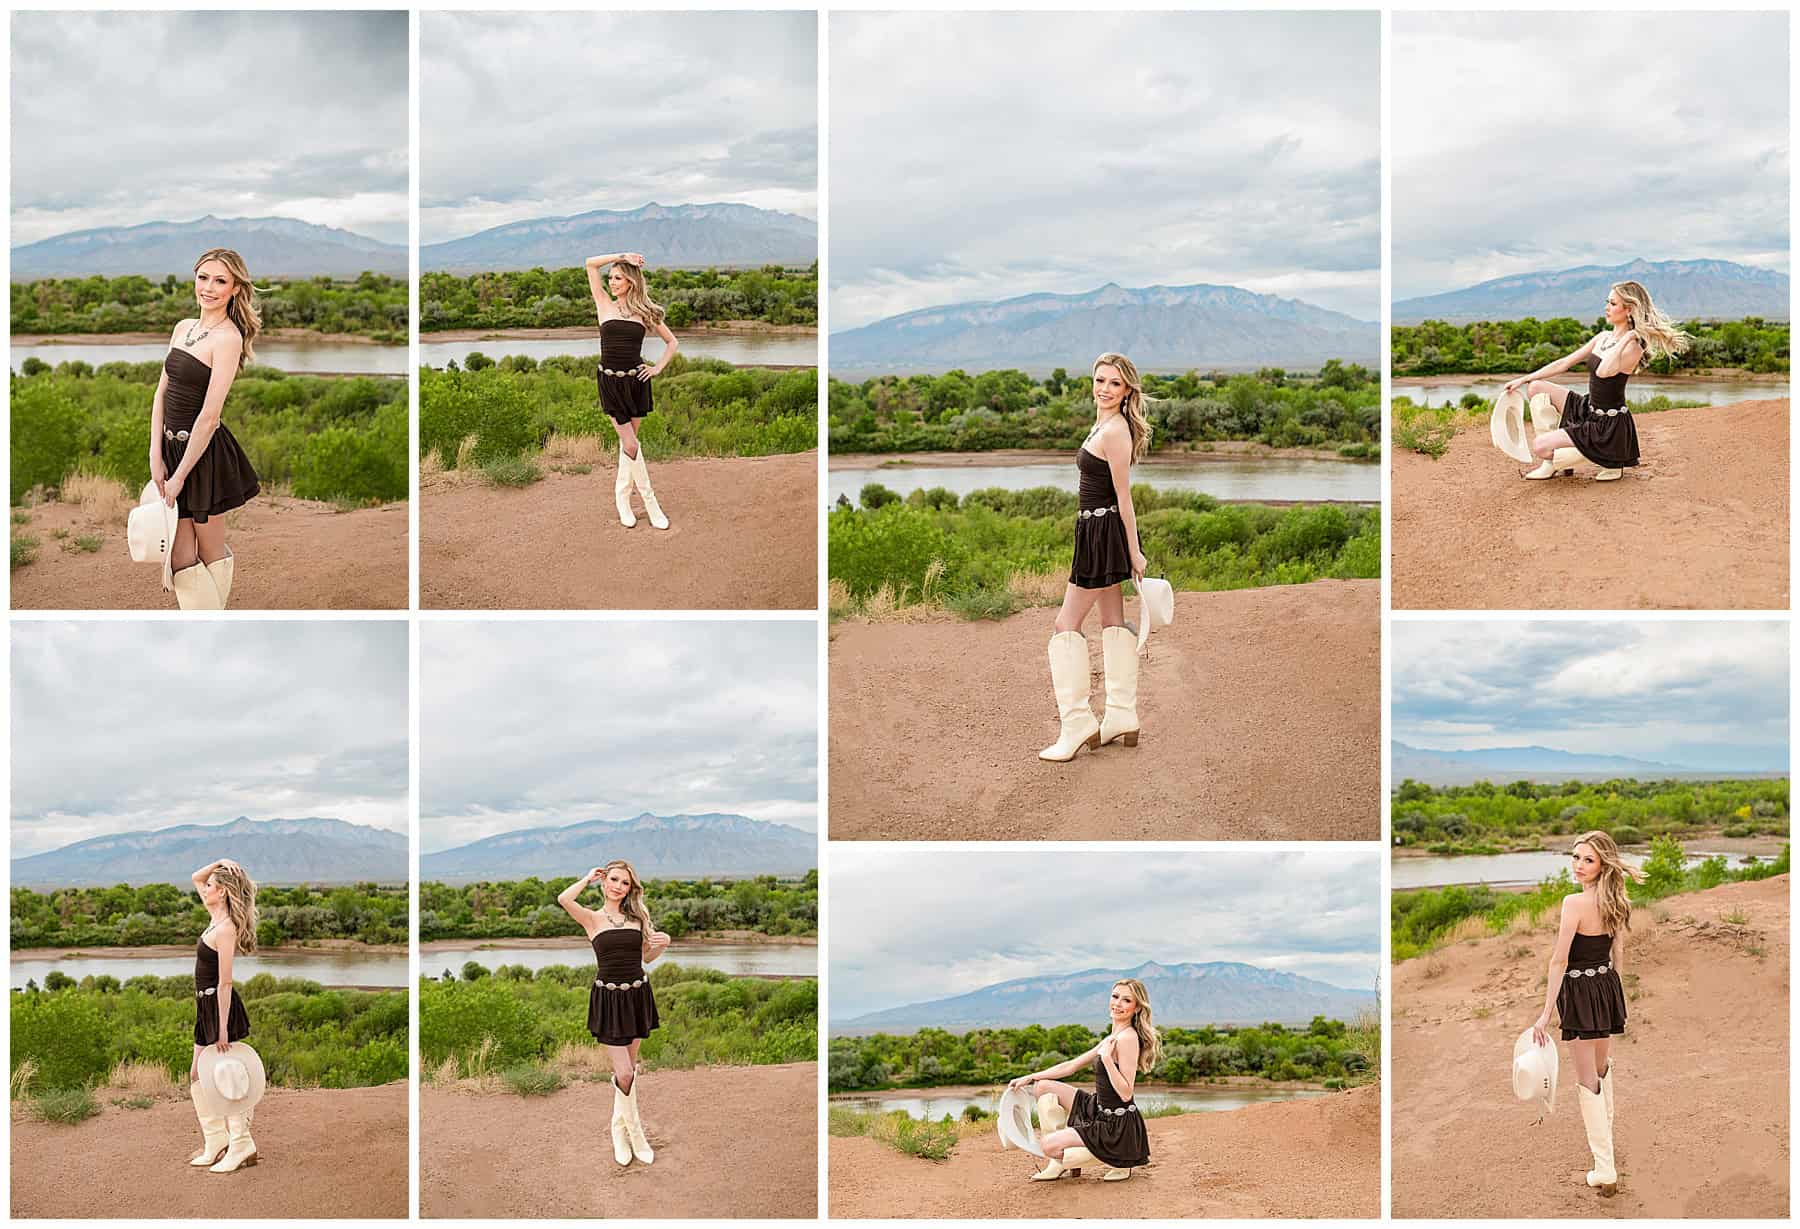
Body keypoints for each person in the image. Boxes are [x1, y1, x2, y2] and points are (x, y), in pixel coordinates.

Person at [1039, 354, 1151, 763]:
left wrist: (1134, 552)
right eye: (1100, 380)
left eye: (1114, 384)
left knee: (1065, 624)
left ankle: (1077, 724)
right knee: (1112, 622)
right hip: (1094, 531)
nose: (1104, 388)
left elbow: (1124, 497)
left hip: (1104, 535)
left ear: (1127, 392)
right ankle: (1122, 715)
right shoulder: (1103, 423)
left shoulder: (1116, 431)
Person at [152, 248, 264, 608]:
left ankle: (210, 620)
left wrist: (181, 474)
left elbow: (210, 416)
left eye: (220, 281)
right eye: (204, 278)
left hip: (203, 455)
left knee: (210, 549)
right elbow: (161, 392)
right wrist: (155, 452)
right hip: (170, 450)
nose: (209, 288)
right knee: (179, 557)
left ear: (235, 289)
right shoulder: (183, 328)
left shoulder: (228, 339)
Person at [1531, 831, 1639, 1196]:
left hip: (1578, 992)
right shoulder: (1617, 901)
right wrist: (1613, 992)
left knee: (1587, 1079)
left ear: (1602, 864)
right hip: (1606, 986)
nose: (1578, 865)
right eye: (1576, 857)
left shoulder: (1572, 903)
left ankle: (1605, 1168)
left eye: (1588, 859)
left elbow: (1559, 959)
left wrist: (1546, 1012)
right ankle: (1606, 1145)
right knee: (1602, 1068)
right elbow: (1617, 953)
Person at [1505, 281, 1693, 482]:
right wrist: (1524, 378)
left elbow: (1604, 371)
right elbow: (1564, 363)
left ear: (1628, 309)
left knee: (1540, 446)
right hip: (1589, 409)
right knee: (1536, 388)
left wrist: (1629, 336)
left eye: (1613, 303)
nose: (1607, 308)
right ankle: (1553, 463)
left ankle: (1609, 459)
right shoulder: (1603, 337)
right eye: (1608, 302)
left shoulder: (1633, 348)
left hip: (1607, 426)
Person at [557, 860, 672, 1166]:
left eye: (625, 883)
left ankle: (618, 1130)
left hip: (637, 996)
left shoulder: (637, 918)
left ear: (631, 889)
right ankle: (635, 1134)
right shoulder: (592, 919)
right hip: (609, 1001)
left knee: (630, 1074)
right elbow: (564, 899)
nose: (619, 886)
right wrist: (586, 878)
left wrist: (664, 945)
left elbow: (645, 957)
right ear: (605, 881)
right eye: (614, 880)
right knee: (623, 1073)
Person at [1007, 978, 1161, 1182]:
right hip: (1099, 1109)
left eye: (1126, 1000)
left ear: (1137, 1008)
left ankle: (1119, 1158)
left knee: (1047, 1146)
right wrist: (1031, 1077)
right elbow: (1071, 1066)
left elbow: (1126, 1093)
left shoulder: (1128, 1039)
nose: (1117, 1004)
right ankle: (1058, 1163)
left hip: (1116, 1126)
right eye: (1115, 997)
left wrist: (1106, 1059)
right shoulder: (1113, 1036)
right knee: (1043, 1087)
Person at [584, 252, 680, 529]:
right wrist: (623, 256)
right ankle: (651, 504)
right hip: (610, 383)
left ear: (631, 282)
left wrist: (657, 368)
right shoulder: (603, 303)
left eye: (618, 278)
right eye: (611, 277)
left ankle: (622, 499)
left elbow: (672, 342)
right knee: (630, 444)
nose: (612, 283)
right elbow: (590, 263)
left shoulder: (644, 312)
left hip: (636, 382)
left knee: (629, 447)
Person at [188, 858, 259, 1172]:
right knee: (198, 1075)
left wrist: (222, 1028)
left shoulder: (226, 928)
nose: (205, 889)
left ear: (224, 893)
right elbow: (194, 876)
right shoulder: (214, 916)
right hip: (205, 1006)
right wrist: (219, 862)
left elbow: (226, 981)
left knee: (223, 1074)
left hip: (219, 1008)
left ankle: (241, 1143)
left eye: (211, 886)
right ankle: (217, 1140)